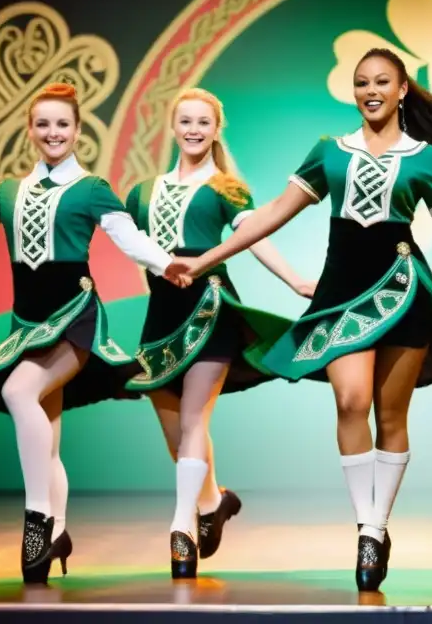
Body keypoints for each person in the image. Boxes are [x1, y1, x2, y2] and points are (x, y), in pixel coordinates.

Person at [166, 48, 432, 592]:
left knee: (391, 415)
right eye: (362, 83)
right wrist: (205, 259)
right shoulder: (327, 152)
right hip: (341, 292)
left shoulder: (424, 158)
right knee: (350, 402)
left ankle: (378, 526)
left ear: (403, 90)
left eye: (382, 81)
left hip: (404, 293)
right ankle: (367, 525)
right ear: (352, 91)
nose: (371, 89)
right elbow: (266, 218)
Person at [0, 83, 183, 585]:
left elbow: (130, 239)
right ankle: (57, 529)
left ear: (78, 131)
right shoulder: (7, 192)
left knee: (19, 391)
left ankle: (37, 518)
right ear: (30, 131)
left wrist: (168, 265)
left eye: (62, 124)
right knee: (49, 442)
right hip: (26, 326)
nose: (53, 132)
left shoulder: (93, 190)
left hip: (74, 318)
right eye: (43, 124)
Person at [123, 88, 316, 578]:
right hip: (160, 319)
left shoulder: (228, 189)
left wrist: (294, 279)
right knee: (177, 435)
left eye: (203, 122)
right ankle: (214, 501)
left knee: (193, 423)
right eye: (185, 120)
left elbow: (253, 236)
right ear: (173, 126)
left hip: (211, 311)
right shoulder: (141, 192)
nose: (193, 129)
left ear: (215, 130)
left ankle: (182, 528)